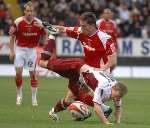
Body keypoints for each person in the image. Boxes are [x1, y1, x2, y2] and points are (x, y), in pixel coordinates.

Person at [39, 56, 128, 124]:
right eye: (117, 96)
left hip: (79, 77)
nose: (116, 98)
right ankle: (51, 36)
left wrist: (117, 122)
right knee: (42, 63)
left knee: (69, 100)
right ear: (115, 89)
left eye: (119, 97)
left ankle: (53, 112)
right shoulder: (103, 86)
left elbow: (118, 107)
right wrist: (106, 122)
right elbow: (97, 108)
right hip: (75, 66)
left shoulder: (116, 88)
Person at [44, 12, 117, 71]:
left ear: (91, 25)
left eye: (83, 26)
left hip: (101, 73)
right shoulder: (80, 32)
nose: (81, 28)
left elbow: (113, 60)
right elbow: (63, 29)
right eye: (81, 26)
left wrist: (102, 69)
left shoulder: (104, 38)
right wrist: (49, 27)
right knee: (74, 88)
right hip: (87, 69)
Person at [8, 1, 47, 106]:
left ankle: (34, 98)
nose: (30, 13)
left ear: (33, 12)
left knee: (33, 74)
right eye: (28, 11)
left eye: (31, 11)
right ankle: (19, 94)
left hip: (31, 51)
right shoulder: (18, 22)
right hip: (20, 50)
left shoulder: (38, 23)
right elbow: (12, 36)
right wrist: (11, 51)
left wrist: (44, 48)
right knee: (18, 73)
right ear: (24, 12)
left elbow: (46, 33)